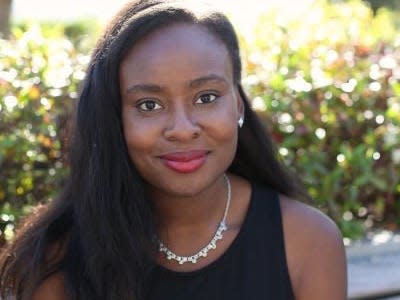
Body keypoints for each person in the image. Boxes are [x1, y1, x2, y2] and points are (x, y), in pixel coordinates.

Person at [0, 0, 347, 299]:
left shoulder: (306, 242)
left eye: (206, 97)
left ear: (238, 107)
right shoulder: (59, 259)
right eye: (149, 104)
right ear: (113, 118)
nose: (182, 129)